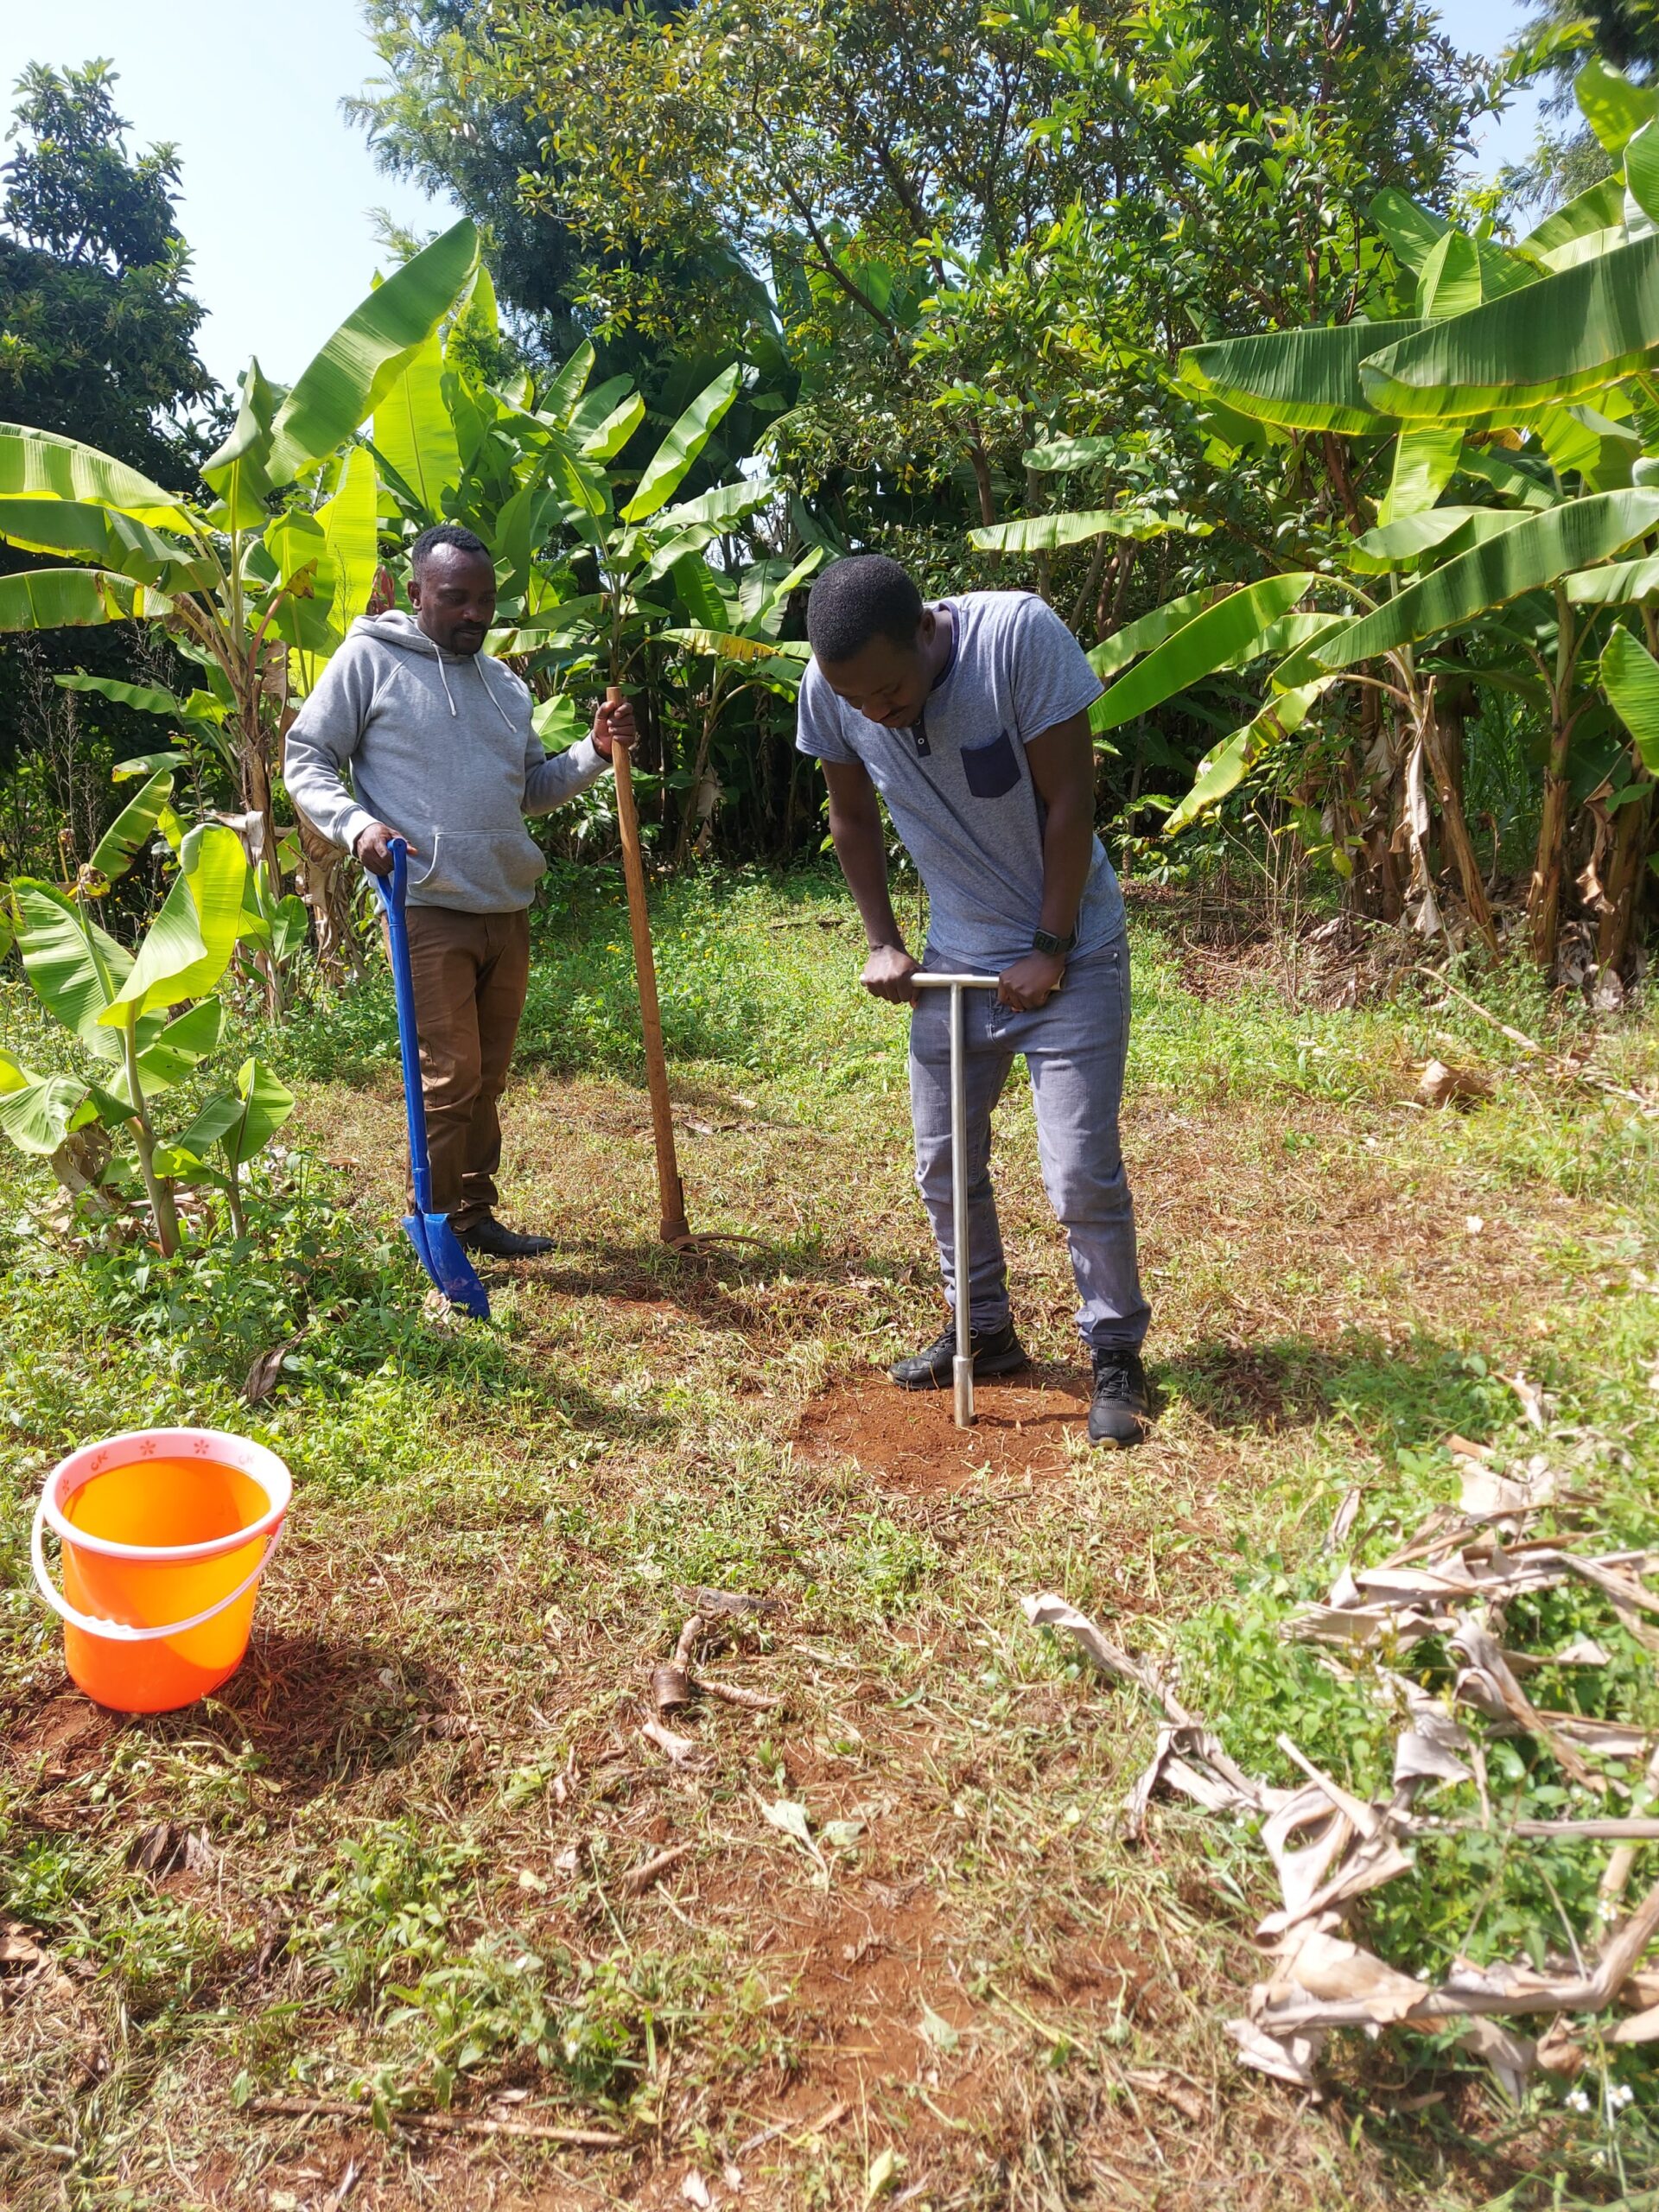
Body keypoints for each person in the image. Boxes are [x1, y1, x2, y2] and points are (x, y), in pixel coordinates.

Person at [797, 553, 1151, 1446]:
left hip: (1073, 950)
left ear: (925, 629)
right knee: (944, 1163)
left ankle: (1115, 1350)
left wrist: (1050, 947)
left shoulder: (1016, 639)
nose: (875, 712)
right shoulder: (832, 688)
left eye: (889, 691)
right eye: (855, 700)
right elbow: (852, 818)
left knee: (1077, 1171)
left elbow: (1071, 799)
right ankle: (983, 1329)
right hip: (958, 959)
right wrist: (883, 940)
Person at [285, 522, 634, 1259]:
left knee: (487, 1078)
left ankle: (473, 1214)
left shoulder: (504, 684)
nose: (475, 613)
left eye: (485, 598)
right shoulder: (370, 660)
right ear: (416, 594)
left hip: (505, 905)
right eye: (455, 598)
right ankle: (435, 1225)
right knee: (450, 1076)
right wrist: (357, 827)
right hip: (425, 903)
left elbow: (530, 789)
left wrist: (594, 752)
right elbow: (307, 757)